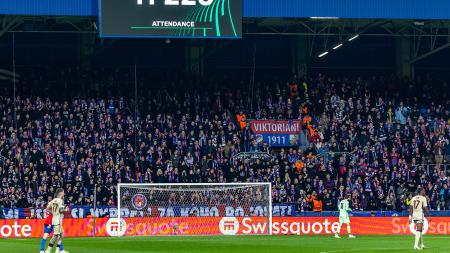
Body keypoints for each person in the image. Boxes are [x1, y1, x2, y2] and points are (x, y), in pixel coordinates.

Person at [45, 188, 69, 253]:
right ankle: (48, 250)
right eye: (63, 192)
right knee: (55, 235)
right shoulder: (60, 200)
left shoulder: (53, 200)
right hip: (58, 220)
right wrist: (65, 209)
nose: (64, 193)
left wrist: (54, 213)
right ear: (60, 193)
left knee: (61, 234)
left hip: (55, 219)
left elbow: (47, 208)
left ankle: (57, 250)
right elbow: (61, 211)